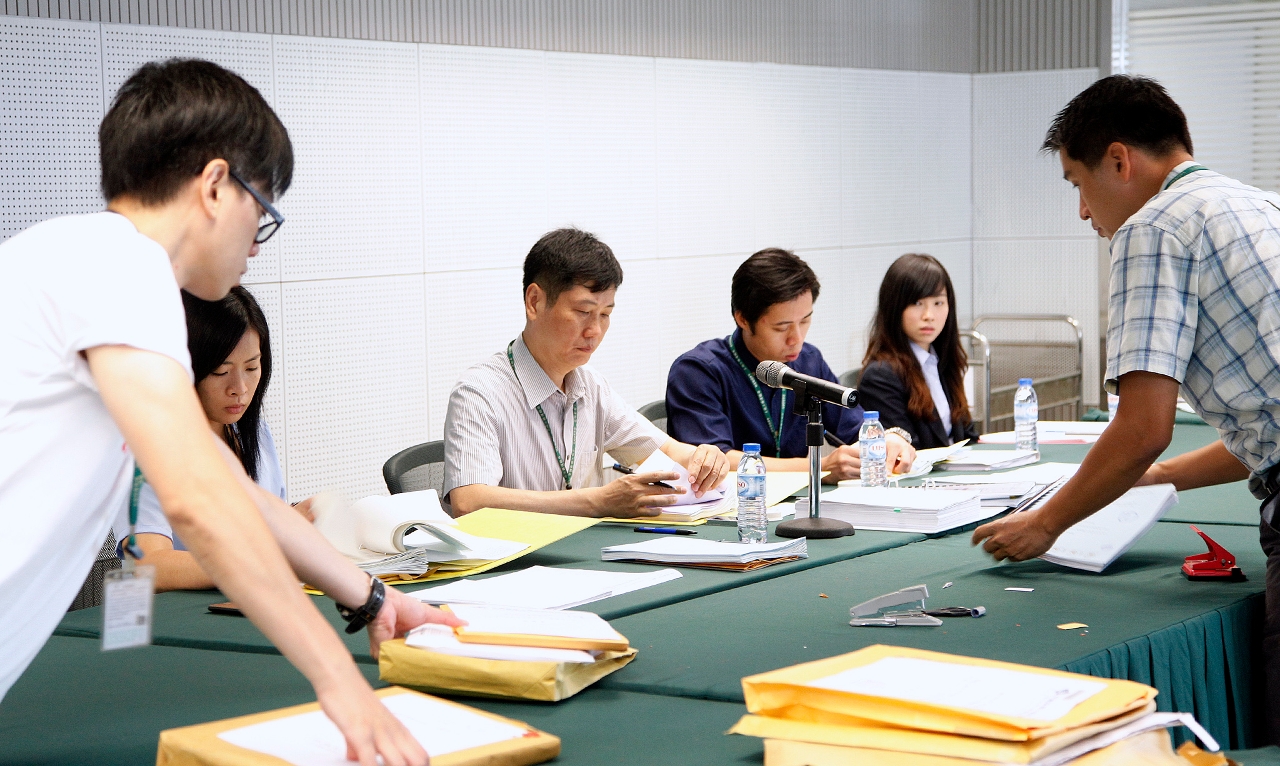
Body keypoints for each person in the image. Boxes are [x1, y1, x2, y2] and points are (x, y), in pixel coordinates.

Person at [0, 59, 458, 765]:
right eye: (263, 212)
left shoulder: (87, 268)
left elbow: (233, 490)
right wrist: (338, 683)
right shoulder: (117, 266)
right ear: (215, 185)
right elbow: (196, 505)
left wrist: (371, 598)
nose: (255, 244)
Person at [968, 75, 1280, 741]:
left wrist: (1046, 523)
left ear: (1119, 160)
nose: (1084, 212)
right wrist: (1158, 476)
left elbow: (1142, 429)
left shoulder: (1153, 228)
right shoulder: (1262, 207)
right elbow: (1267, 420)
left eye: (1077, 183)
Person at [444, 228, 731, 517]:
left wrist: (703, 458)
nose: (594, 331)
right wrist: (596, 502)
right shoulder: (480, 392)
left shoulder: (589, 385)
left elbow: (664, 453)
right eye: (583, 312)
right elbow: (470, 501)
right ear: (534, 302)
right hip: (512, 558)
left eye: (605, 314)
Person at [114, 287, 313, 591]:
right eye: (221, 372)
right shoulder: (146, 448)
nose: (240, 388)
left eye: (252, 367)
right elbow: (146, 565)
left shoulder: (254, 433)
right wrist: (260, 556)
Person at [665, 248, 915, 483]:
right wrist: (821, 466)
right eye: (781, 327)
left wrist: (890, 440)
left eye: (805, 321)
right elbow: (717, 462)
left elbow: (855, 426)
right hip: (733, 508)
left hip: (796, 504)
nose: (796, 338)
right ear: (742, 318)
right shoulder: (699, 371)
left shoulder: (807, 360)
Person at [857, 253, 980, 449]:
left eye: (938, 303)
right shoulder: (880, 377)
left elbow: (967, 436)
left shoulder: (942, 361)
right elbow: (905, 454)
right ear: (894, 307)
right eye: (917, 303)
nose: (929, 316)